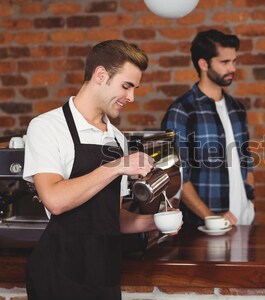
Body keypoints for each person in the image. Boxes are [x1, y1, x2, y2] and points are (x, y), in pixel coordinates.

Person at [23, 40, 177, 300]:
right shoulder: (47, 127)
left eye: (134, 88)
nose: (131, 97)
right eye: (126, 86)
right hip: (58, 275)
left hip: (103, 274)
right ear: (101, 75)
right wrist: (117, 166)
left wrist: (157, 223)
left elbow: (109, 216)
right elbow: (55, 200)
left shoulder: (117, 139)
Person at [161, 29, 255, 226]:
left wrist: (249, 197)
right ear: (203, 64)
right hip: (205, 227)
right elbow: (177, 175)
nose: (232, 68)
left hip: (245, 219)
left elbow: (245, 158)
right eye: (224, 62)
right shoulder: (182, 111)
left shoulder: (237, 108)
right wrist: (210, 217)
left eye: (234, 61)